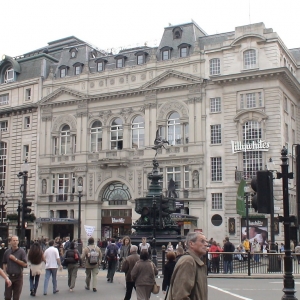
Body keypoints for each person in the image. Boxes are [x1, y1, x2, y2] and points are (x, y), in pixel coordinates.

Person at [167, 232, 208, 300]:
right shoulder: (188, 261)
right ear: (191, 243)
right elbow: (180, 296)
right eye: (202, 241)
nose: (206, 244)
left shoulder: (195, 262)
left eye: (206, 241)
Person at [2, 236, 27, 300]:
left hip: (18, 277)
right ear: (10, 242)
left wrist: (15, 259)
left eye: (16, 240)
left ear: (18, 242)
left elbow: (25, 264)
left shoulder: (22, 252)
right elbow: (4, 263)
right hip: (9, 276)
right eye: (13, 240)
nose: (15, 242)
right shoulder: (7, 252)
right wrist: (5, 273)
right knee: (7, 297)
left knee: (16, 297)